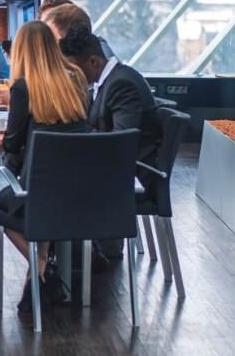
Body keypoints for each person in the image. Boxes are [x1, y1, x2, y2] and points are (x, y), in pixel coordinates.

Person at [0, 20, 92, 312]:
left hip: (39, 190)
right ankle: (35, 280)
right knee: (41, 197)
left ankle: (44, 269)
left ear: (22, 51)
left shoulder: (23, 88)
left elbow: (11, 144)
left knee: (1, 205)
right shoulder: (75, 77)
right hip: (79, 188)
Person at [59, 24, 162, 267]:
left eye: (73, 69)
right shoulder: (110, 81)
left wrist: (77, 131)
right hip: (120, 170)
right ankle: (71, 255)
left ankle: (78, 257)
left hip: (132, 177)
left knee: (52, 183)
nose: (70, 75)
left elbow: (121, 142)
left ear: (93, 61)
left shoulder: (121, 84)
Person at [0, 2, 116, 104]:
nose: (47, 46)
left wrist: (22, 99)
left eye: (51, 39)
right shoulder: (77, 57)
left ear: (71, 36)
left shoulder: (94, 58)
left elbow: (78, 98)